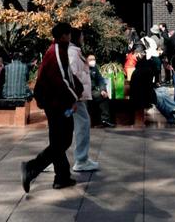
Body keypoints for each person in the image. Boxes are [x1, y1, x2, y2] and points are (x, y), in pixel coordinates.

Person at [22, 22, 83, 192]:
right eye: (69, 34)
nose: (71, 37)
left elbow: (68, 75)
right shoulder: (56, 52)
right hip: (56, 103)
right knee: (62, 140)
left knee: (59, 141)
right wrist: (74, 97)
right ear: (64, 36)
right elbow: (61, 79)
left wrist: (77, 89)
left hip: (57, 102)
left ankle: (61, 177)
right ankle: (31, 168)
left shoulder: (59, 49)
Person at [68, 29, 100, 173]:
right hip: (76, 98)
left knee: (67, 127)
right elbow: (73, 75)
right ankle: (81, 160)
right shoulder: (73, 53)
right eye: (82, 36)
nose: (83, 38)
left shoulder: (74, 52)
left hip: (75, 97)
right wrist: (75, 95)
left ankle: (52, 159)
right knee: (82, 125)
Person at [129, 47, 175, 125]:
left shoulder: (140, 69)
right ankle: (173, 113)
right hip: (142, 96)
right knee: (160, 98)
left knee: (163, 91)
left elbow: (146, 86)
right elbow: (147, 88)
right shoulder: (147, 71)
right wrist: (154, 91)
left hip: (141, 94)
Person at [86, 53, 114, 127]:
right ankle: (87, 123)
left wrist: (103, 90)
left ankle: (105, 120)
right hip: (84, 92)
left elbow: (100, 80)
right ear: (86, 60)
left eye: (94, 59)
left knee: (104, 97)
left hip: (93, 91)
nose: (93, 61)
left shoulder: (95, 67)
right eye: (90, 59)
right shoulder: (82, 68)